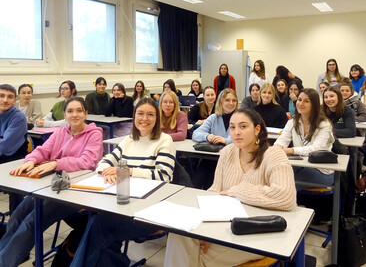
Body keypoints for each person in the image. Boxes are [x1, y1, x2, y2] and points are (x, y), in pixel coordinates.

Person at [164, 108, 296, 267]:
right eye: (232, 127)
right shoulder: (227, 152)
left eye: (243, 126)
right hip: (226, 227)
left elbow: (285, 198)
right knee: (178, 234)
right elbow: (215, 191)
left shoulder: (274, 154)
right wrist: (204, 230)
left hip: (259, 232)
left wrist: (237, 191)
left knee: (195, 258)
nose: (236, 132)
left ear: (257, 129)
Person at [70, 98, 176, 267]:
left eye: (150, 114)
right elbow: (104, 161)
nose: (145, 119)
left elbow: (163, 176)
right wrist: (106, 172)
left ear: (157, 118)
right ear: (134, 117)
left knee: (98, 225)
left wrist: (126, 172)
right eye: (140, 114)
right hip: (121, 205)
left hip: (149, 211)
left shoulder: (164, 140)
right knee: (95, 225)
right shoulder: (128, 140)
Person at [0, 97, 103, 267]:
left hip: (75, 191)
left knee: (31, 222)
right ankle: (8, 256)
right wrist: (31, 160)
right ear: (65, 114)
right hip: (51, 185)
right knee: (17, 217)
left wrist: (56, 163)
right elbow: (43, 149)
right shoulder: (62, 131)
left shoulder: (94, 134)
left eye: (79, 111)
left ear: (86, 113)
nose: (74, 115)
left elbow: (88, 161)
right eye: (70, 111)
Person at [275, 88, 335, 188]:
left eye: (306, 101)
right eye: (299, 100)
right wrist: (276, 148)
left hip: (321, 170)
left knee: (284, 180)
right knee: (276, 173)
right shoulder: (293, 121)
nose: (301, 103)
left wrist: (290, 150)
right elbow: (282, 140)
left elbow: (315, 149)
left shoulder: (324, 124)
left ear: (314, 105)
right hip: (300, 166)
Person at [192, 88, 238, 189]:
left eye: (234, 100)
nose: (231, 103)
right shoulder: (213, 117)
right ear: (221, 102)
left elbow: (244, 137)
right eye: (227, 100)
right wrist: (207, 136)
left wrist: (225, 140)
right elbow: (196, 133)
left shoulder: (241, 118)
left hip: (233, 159)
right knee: (197, 182)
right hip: (212, 158)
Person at [0, 84, 28, 214]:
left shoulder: (18, 117)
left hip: (14, 160)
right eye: (1, 96)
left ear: (14, 100)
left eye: (9, 97)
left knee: (15, 191)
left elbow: (4, 147)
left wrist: (2, 141)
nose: (5, 100)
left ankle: (15, 225)